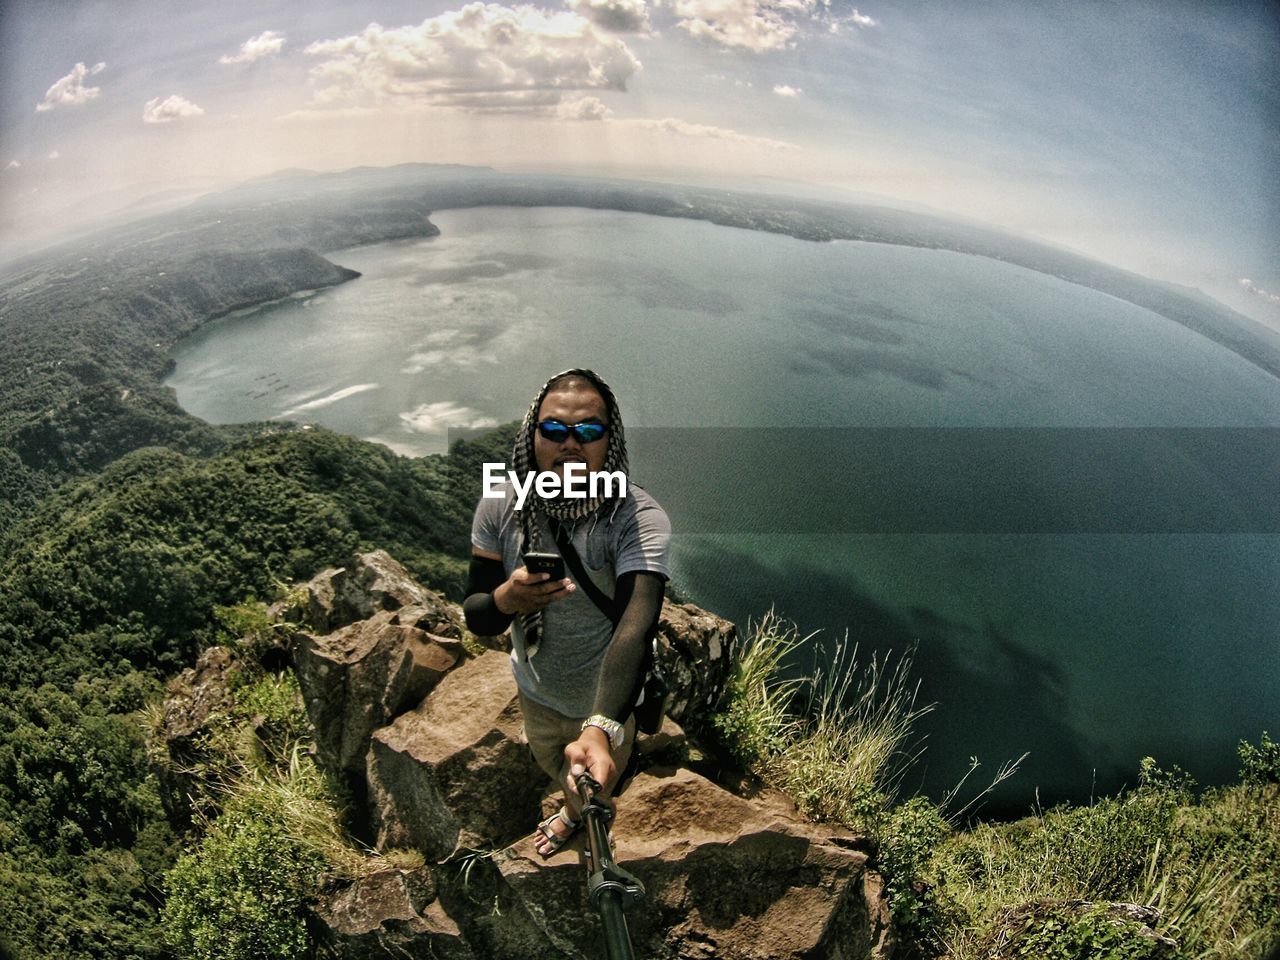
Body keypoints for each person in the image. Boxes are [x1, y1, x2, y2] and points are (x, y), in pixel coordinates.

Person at [463, 369, 671, 858]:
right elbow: (478, 615)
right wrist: (508, 600)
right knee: (552, 763)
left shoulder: (635, 518)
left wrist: (601, 728)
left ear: (610, 439)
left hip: (603, 704)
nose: (570, 444)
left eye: (589, 431)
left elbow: (634, 629)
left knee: (592, 787)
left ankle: (574, 817)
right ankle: (571, 806)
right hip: (535, 691)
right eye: (554, 430)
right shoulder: (501, 505)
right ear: (532, 437)